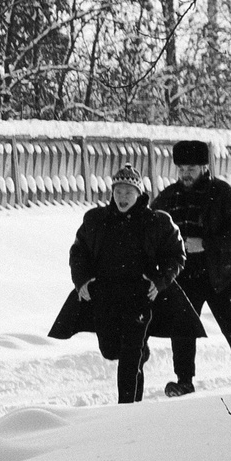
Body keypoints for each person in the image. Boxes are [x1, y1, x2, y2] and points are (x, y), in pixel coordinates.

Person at [50, 163, 203, 404]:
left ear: (139, 194)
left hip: (139, 297)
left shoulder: (156, 222)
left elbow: (176, 254)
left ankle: (127, 408)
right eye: (118, 192)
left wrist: (160, 280)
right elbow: (79, 252)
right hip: (105, 296)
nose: (122, 197)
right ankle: (140, 354)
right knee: (111, 350)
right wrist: (82, 281)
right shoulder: (96, 220)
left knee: (129, 354)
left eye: (128, 192)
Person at [149, 139, 231, 395]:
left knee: (230, 322)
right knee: (182, 327)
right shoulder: (169, 197)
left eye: (191, 168)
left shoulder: (221, 192)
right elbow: (149, 228)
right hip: (185, 275)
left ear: (203, 167)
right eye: (181, 169)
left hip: (222, 273)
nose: (185, 174)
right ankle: (184, 380)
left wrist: (207, 244)